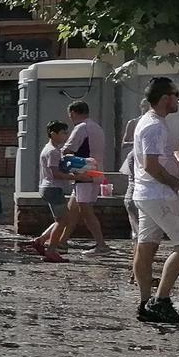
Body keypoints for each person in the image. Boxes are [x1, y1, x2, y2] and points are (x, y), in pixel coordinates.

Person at [129, 77, 179, 325]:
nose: (178, 100)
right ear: (165, 98)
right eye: (176, 95)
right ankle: (161, 301)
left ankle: (145, 304)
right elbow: (151, 166)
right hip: (159, 195)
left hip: (145, 194)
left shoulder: (148, 122)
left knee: (146, 248)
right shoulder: (155, 126)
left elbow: (157, 160)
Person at [53, 100, 112, 254]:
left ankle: (101, 244)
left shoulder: (81, 128)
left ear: (73, 113)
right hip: (96, 172)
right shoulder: (97, 128)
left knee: (85, 210)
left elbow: (67, 150)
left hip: (84, 174)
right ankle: (62, 241)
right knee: (72, 210)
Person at [29, 122, 74, 262]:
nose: (65, 136)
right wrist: (76, 177)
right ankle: (51, 250)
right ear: (53, 134)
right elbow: (56, 173)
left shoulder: (52, 149)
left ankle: (41, 240)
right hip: (53, 188)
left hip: (49, 187)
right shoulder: (53, 151)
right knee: (63, 221)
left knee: (61, 220)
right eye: (63, 133)